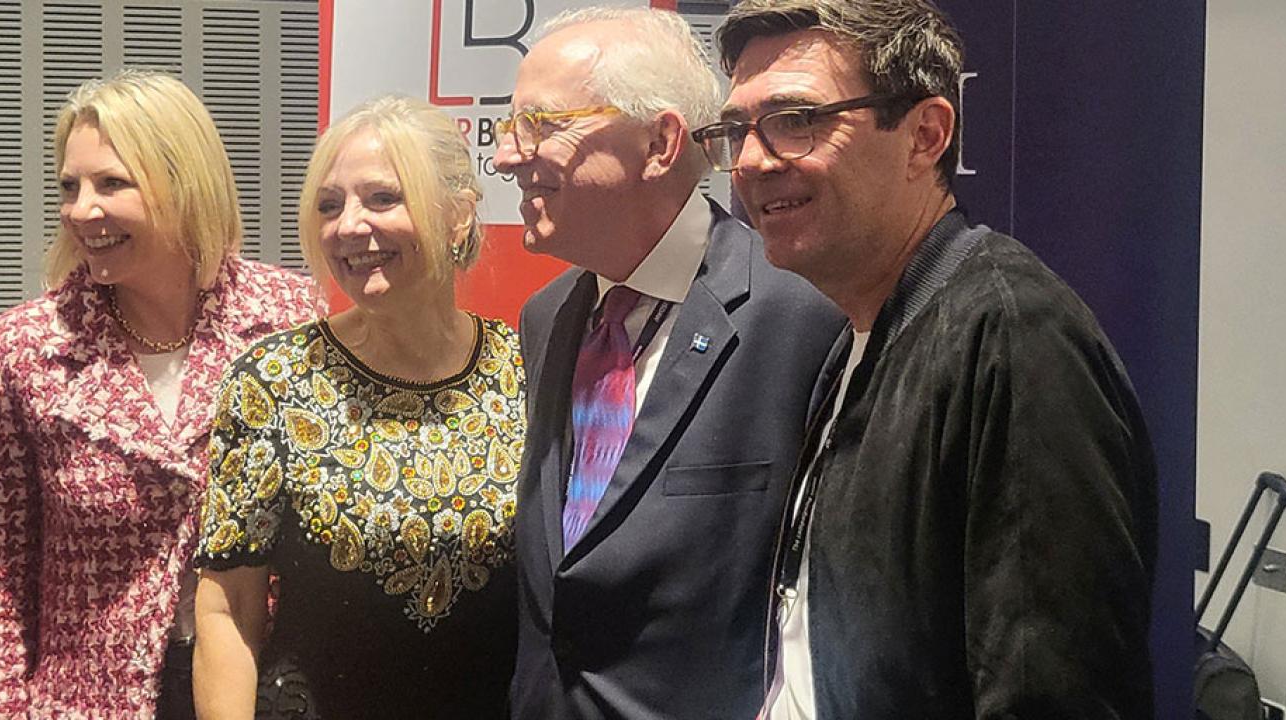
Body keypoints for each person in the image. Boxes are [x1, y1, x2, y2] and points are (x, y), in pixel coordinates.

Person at [701, 1, 1160, 717]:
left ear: (925, 135)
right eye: (736, 129)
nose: (752, 161)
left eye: (797, 119)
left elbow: (1056, 694)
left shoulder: (1014, 339)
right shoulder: (859, 332)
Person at [490, 8, 842, 719]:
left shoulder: (803, 317)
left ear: (659, 143)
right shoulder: (545, 318)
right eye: (507, 127)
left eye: (540, 125)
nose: (503, 157)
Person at [0, 69, 318, 719]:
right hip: (92, 701)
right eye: (69, 186)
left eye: (111, 183)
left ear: (185, 184)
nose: (81, 210)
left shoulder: (294, 320)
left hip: (265, 687)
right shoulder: (17, 351)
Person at [192, 95, 524, 720]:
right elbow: (228, 606)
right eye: (328, 205)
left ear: (458, 215)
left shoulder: (528, 367)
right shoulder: (274, 380)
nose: (348, 226)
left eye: (381, 199)